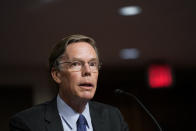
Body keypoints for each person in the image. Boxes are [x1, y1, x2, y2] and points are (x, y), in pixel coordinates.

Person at [9, 34, 129, 131]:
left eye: (92, 64)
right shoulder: (27, 123)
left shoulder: (113, 118)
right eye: (76, 64)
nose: (87, 71)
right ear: (57, 75)